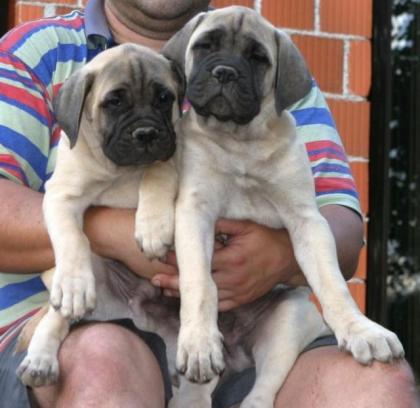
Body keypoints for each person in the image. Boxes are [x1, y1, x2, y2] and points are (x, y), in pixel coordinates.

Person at [0, 0, 417, 407]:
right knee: (104, 363)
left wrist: (275, 257)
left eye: (164, 101)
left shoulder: (276, 70)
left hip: (250, 336)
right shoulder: (36, 53)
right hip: (98, 327)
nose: (225, 68)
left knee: (379, 383)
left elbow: (341, 228)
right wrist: (118, 236)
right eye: (206, 49)